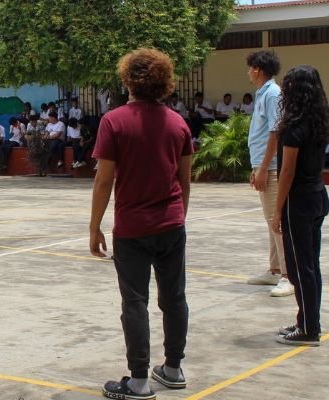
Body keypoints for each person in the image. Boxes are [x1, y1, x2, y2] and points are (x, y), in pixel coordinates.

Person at [90, 48, 192, 400]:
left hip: (132, 228)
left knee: (135, 302)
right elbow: (185, 179)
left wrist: (94, 226)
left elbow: (104, 181)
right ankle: (174, 368)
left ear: (127, 79)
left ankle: (138, 381)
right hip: (171, 224)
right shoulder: (178, 123)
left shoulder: (114, 121)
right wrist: (180, 216)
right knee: (174, 297)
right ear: (164, 81)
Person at [271, 65, 329, 346]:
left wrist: (277, 209)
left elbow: (287, 172)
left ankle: (309, 329)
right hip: (318, 197)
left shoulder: (295, 127)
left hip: (300, 202)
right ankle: (306, 320)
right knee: (310, 266)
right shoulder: (319, 122)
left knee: (300, 268)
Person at [245, 50, 293, 297]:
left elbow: (276, 131)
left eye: (250, 67)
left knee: (277, 221)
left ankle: (287, 275)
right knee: (270, 221)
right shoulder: (263, 94)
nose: (248, 72)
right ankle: (275, 270)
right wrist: (257, 167)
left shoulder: (272, 94)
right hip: (263, 164)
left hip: (271, 166)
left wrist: (264, 168)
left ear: (257, 69)